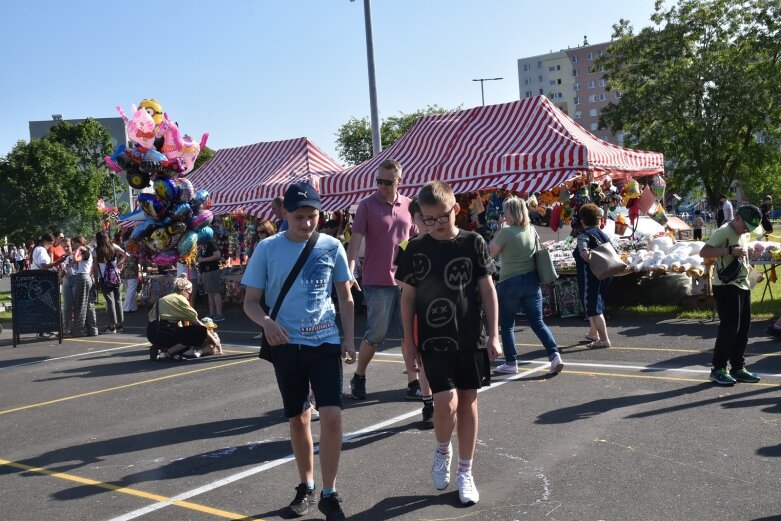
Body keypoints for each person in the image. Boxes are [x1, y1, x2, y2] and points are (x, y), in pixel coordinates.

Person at [242, 181, 355, 520]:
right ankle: (305, 485)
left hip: (325, 341)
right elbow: (249, 302)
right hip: (286, 344)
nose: (306, 223)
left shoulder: (332, 246)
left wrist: (349, 339)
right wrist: (267, 323)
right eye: (299, 217)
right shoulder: (267, 249)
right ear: (285, 214)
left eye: (312, 216)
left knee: (332, 416)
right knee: (299, 417)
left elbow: (345, 297)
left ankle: (329, 491)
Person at [396, 180, 501, 506]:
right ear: (420, 218)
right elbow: (408, 297)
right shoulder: (414, 248)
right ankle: (443, 449)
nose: (436, 224)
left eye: (442, 216)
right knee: (445, 402)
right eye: (428, 219)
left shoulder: (474, 242)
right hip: (432, 339)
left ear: (455, 209)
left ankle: (465, 472)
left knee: (468, 402)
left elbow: (487, 290)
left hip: (471, 337)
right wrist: (408, 343)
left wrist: (495, 334)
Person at [346, 159, 419, 400]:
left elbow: (417, 239)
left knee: (409, 334)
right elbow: (355, 240)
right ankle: (359, 375)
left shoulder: (409, 205)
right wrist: (349, 269)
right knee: (376, 334)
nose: (383, 186)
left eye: (388, 181)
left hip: (405, 281)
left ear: (400, 180)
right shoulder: (366, 205)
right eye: (379, 181)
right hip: (376, 280)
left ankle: (413, 381)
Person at [489, 196, 564, 375]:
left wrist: (499, 229)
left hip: (510, 282)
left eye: (506, 211)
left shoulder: (506, 232)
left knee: (507, 325)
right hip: (531, 280)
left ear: (512, 213)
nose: (503, 214)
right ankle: (554, 356)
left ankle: (511, 362)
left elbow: (490, 253)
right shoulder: (530, 229)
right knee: (538, 322)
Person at [699, 205, 763, 385]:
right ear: (737, 218)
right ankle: (718, 368)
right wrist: (729, 251)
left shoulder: (742, 233)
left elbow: (740, 257)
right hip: (726, 286)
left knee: (743, 328)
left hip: (742, 285)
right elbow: (704, 252)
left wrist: (752, 262)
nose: (746, 231)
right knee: (729, 327)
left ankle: (738, 367)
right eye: (745, 227)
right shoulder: (724, 231)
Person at [395, 198, 435, 428]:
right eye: (423, 217)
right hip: (420, 311)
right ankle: (428, 402)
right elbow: (403, 285)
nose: (428, 222)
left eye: (431, 216)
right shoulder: (407, 247)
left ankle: (439, 399)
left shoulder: (448, 241)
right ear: (414, 219)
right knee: (422, 359)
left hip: (443, 312)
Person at [147, 276, 216, 360]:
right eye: (189, 292)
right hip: (163, 332)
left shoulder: (166, 298)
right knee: (200, 331)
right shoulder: (180, 299)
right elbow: (196, 322)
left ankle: (159, 347)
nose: (189, 295)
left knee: (184, 336)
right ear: (183, 290)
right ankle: (170, 352)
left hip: (152, 333)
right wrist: (213, 339)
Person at [576, 204, 613, 348]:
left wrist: (590, 258)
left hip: (590, 275)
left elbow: (584, 254)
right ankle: (593, 333)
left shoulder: (583, 235)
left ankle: (604, 339)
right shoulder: (601, 233)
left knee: (593, 307)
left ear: (583, 220)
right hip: (604, 274)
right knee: (596, 304)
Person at [94, 231, 126, 333]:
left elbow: (95, 268)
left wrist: (96, 281)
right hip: (116, 277)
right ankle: (120, 325)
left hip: (104, 279)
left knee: (110, 302)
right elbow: (127, 254)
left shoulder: (96, 250)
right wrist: (121, 262)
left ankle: (112, 326)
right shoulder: (113, 247)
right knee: (118, 301)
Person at [68, 236, 99, 337]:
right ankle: (92, 329)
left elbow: (75, 259)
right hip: (87, 278)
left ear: (79, 243)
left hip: (82, 277)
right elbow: (73, 261)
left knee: (80, 304)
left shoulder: (85, 251)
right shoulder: (86, 251)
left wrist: (77, 250)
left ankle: (79, 330)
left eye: (74, 244)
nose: (73, 246)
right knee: (89, 305)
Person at [197, 235, 225, 322]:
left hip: (212, 270)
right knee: (209, 292)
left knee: (215, 292)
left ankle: (219, 314)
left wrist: (203, 260)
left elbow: (217, 255)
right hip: (206, 271)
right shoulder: (203, 245)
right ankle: (212, 313)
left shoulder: (210, 243)